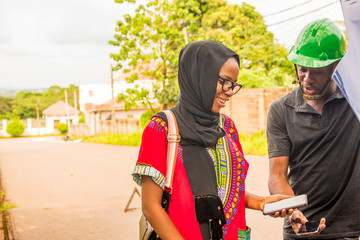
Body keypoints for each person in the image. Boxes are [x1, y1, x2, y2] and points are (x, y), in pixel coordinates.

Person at [132, 40, 307, 240]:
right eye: (224, 81)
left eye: (234, 84)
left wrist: (262, 202)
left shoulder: (228, 128)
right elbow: (151, 206)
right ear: (199, 76)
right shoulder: (162, 128)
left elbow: (226, 191)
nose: (230, 91)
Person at [267, 18, 360, 240]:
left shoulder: (355, 102)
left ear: (336, 67)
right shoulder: (281, 110)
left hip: (349, 231)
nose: (306, 79)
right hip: (298, 231)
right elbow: (277, 174)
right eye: (302, 69)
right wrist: (292, 212)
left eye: (316, 71)